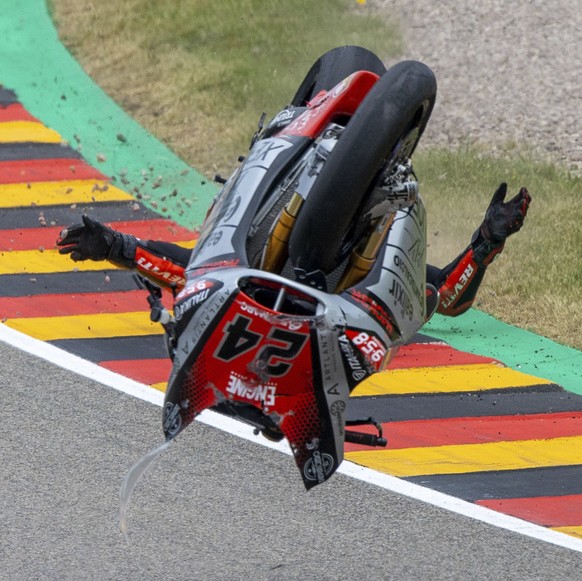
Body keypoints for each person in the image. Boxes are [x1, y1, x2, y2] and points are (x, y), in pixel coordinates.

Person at [57, 181, 531, 318]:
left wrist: (116, 245)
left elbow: (191, 270)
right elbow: (449, 299)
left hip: (306, 251)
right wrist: (487, 241)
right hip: (336, 290)